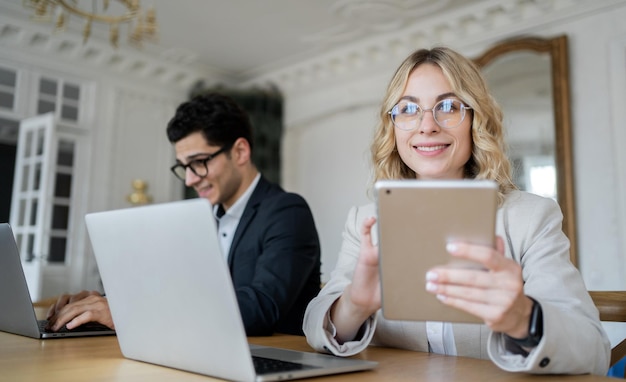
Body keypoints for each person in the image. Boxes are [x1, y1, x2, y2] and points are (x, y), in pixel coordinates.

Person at [302, 46, 611, 375]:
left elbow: (593, 352)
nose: (427, 126)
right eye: (408, 109)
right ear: (392, 127)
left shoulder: (531, 218)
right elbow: (314, 327)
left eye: (447, 106)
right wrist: (355, 305)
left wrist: (522, 317)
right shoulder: (365, 222)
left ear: (475, 118)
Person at [47, 93, 322, 336]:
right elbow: (170, 289)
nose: (189, 179)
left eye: (199, 163)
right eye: (183, 166)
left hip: (277, 360)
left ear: (240, 151)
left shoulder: (287, 211)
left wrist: (129, 311)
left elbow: (260, 308)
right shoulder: (201, 218)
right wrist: (102, 304)